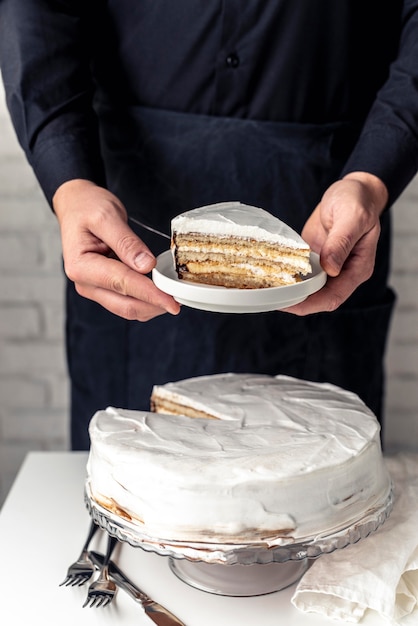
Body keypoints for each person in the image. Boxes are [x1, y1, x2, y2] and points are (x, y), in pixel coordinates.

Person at [1, 1, 418, 450]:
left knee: (321, 476)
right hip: (129, 215)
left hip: (331, 202)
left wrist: (372, 176)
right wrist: (69, 180)